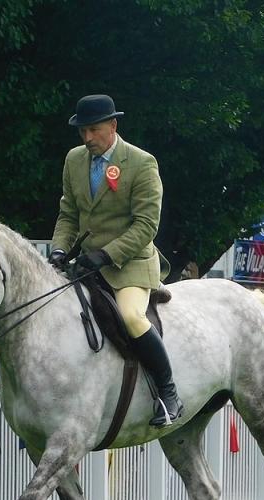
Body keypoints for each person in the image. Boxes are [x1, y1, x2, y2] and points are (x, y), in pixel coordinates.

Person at [50, 94, 181, 427]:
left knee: (132, 316)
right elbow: (68, 213)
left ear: (113, 125)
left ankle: (168, 393)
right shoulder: (73, 160)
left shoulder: (141, 162)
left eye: (93, 130)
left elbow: (146, 226)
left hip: (130, 264)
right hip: (87, 263)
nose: (87, 138)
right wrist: (59, 250)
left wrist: (106, 255)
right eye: (82, 132)